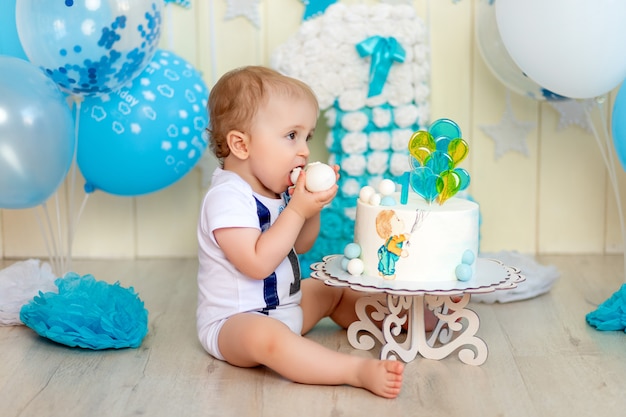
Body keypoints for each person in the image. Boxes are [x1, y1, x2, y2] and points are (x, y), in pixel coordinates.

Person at [196, 66, 404, 399]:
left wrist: (310, 208)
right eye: (292, 135)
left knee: (330, 289)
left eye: (307, 136)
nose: (305, 149)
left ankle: (402, 322)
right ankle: (354, 371)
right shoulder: (226, 197)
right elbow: (256, 263)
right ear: (241, 144)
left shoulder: (276, 191)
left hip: (285, 309)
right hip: (236, 324)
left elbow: (302, 245)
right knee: (269, 340)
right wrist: (296, 210)